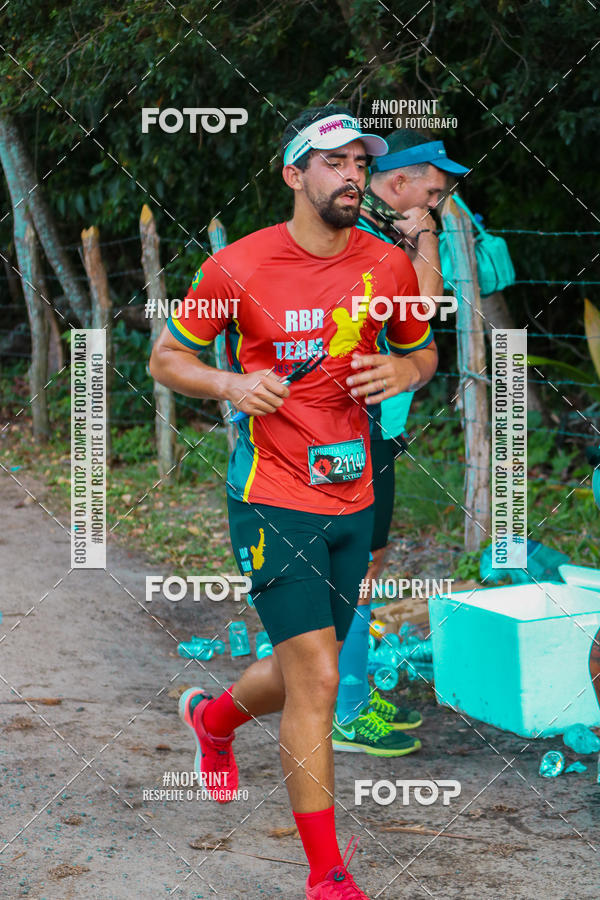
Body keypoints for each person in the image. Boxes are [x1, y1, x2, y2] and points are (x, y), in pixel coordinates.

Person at [149, 105, 438, 900]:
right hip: (273, 493)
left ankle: (213, 722)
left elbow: (422, 351)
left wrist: (403, 375)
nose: (351, 175)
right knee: (315, 680)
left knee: (311, 666)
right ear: (294, 175)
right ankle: (328, 876)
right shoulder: (237, 268)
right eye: (333, 162)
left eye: (358, 162)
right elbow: (167, 358)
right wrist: (232, 382)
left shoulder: (388, 266)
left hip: (358, 489)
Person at [334, 131, 468, 745]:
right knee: (351, 565)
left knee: (366, 563)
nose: (439, 201)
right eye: (433, 190)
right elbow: (424, 304)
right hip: (351, 426)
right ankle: (345, 709)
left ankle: (348, 690)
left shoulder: (386, 233)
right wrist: (426, 234)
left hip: (379, 426)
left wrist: (418, 233)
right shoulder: (358, 236)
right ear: (399, 183)